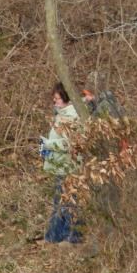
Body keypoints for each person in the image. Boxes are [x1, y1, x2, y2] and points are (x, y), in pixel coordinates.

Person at [39, 82, 82, 243]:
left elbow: (69, 143)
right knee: (60, 202)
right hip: (60, 166)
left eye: (57, 98)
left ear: (66, 98)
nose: (54, 101)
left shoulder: (72, 116)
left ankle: (71, 238)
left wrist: (48, 144)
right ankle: (54, 237)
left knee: (68, 204)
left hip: (68, 166)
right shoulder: (61, 114)